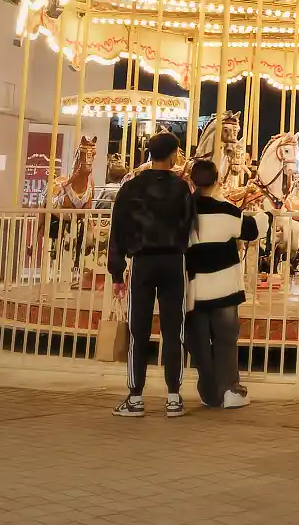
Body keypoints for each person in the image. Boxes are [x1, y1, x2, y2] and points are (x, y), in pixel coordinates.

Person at [107, 131, 196, 418]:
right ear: (172, 155)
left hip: (142, 262)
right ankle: (173, 396)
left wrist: (117, 272)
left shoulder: (131, 188)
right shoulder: (181, 188)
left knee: (139, 329)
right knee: (173, 329)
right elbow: (189, 225)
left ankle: (135, 397)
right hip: (173, 261)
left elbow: (118, 230)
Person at [184, 158, 270, 409]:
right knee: (225, 339)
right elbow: (252, 229)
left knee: (199, 341)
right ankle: (230, 389)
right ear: (218, 181)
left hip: (193, 290)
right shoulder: (226, 210)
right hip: (224, 288)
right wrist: (267, 215)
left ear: (192, 181)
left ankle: (209, 390)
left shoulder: (183, 212)